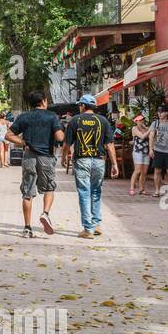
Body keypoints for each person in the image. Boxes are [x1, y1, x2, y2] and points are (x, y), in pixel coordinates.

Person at [7, 90, 63, 238]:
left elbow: (9, 135)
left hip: (29, 157)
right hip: (46, 157)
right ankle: (45, 213)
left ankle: (27, 228)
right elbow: (59, 137)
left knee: (27, 192)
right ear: (44, 101)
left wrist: (23, 142)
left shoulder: (24, 117)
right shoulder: (52, 117)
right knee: (49, 187)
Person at [64, 94, 119, 239]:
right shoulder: (103, 121)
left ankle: (88, 229)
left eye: (80, 105)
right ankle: (96, 224)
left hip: (82, 160)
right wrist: (114, 164)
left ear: (82, 105)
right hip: (99, 161)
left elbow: (67, 144)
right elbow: (109, 145)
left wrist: (64, 157)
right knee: (96, 192)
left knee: (84, 192)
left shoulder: (75, 120)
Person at [149, 105, 168, 197]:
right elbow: (151, 136)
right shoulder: (155, 123)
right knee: (157, 171)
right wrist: (151, 149)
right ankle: (157, 191)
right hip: (158, 150)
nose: (160, 114)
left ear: (166, 113)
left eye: (162, 112)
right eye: (158, 112)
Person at [127, 113, 151, 196]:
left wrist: (147, 129)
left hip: (146, 151)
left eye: (142, 120)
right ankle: (132, 188)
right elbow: (142, 136)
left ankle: (142, 189)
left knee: (144, 172)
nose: (142, 121)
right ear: (136, 121)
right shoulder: (134, 128)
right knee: (137, 170)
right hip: (138, 151)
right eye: (140, 120)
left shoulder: (145, 128)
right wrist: (149, 130)